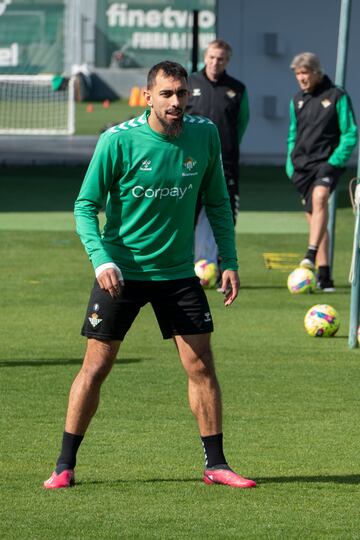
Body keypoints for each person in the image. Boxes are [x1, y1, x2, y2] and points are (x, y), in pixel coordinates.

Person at [43, 61, 256, 490]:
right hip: (121, 273)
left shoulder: (205, 134)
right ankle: (64, 465)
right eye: (167, 94)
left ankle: (215, 464)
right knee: (96, 367)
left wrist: (229, 260)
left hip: (178, 274)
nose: (176, 102)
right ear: (148, 96)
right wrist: (102, 260)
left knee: (202, 367)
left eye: (182, 93)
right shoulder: (117, 142)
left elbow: (216, 202)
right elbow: (85, 206)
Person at [286, 52, 358, 291]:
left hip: (326, 164)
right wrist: (290, 164)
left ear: (317, 72)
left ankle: (310, 253)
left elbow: (350, 133)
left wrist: (334, 162)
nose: (301, 78)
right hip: (302, 168)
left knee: (320, 199)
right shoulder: (297, 99)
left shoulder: (337, 96)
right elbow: (292, 135)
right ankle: (324, 276)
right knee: (317, 220)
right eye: (297, 74)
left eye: (305, 73)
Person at [186, 39, 249, 280]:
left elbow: (241, 124)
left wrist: (227, 150)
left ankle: (224, 269)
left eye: (221, 58)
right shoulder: (189, 83)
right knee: (187, 215)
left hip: (225, 165)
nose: (215, 62)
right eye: (212, 57)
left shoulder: (238, 89)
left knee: (224, 216)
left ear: (227, 61)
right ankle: (186, 269)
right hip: (191, 164)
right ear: (205, 56)